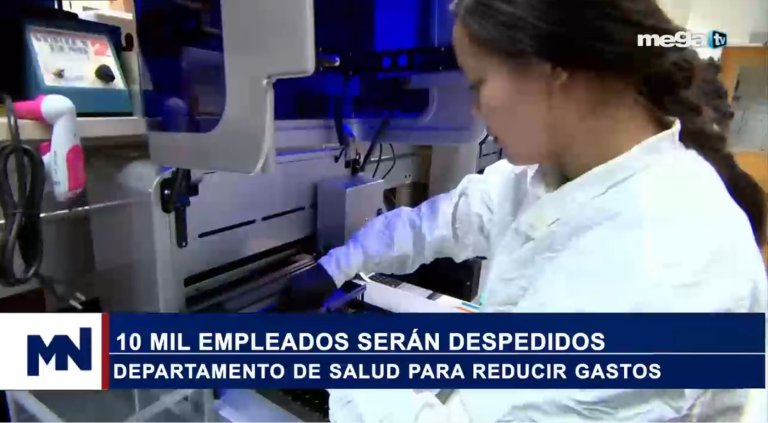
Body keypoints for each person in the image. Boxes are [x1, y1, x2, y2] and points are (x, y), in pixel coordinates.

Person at [277, 0, 768, 420]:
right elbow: (445, 220)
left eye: (478, 83)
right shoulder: (559, 173)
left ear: (553, 68)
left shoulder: (663, 268)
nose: (475, 109)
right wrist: (336, 266)